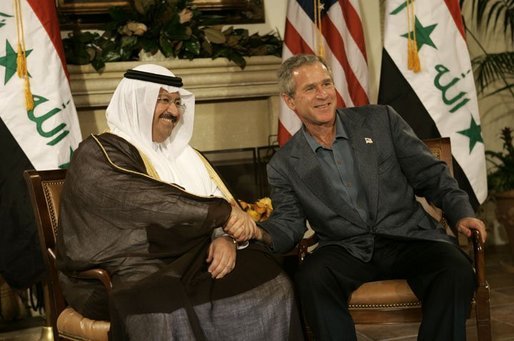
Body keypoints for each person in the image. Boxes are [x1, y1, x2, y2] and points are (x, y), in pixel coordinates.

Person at [224, 54, 488, 341]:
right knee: (312, 278)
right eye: (310, 88)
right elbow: (289, 222)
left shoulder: (380, 120)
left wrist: (462, 212)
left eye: (326, 83)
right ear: (290, 101)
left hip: (408, 237)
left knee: (455, 269)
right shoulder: (284, 164)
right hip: (346, 248)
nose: (323, 94)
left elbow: (431, 175)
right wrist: (259, 233)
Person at [55, 64, 303, 340]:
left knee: (271, 283)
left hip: (190, 260)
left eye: (177, 102)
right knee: (167, 308)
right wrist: (221, 215)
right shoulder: (99, 152)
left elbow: (219, 201)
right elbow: (146, 200)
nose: (173, 111)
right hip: (127, 271)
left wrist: (225, 238)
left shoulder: (186, 155)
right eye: (163, 100)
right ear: (137, 102)